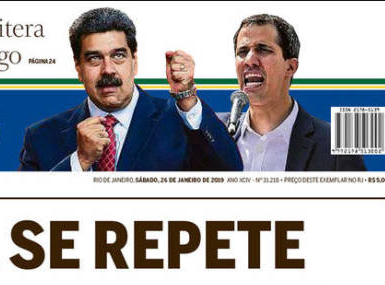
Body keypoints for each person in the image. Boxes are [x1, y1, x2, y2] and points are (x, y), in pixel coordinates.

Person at [19, 7, 242, 172]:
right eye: (94, 59)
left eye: (118, 56)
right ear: (78, 68)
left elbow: (231, 173)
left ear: (134, 61)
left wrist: (187, 99)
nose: (108, 70)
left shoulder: (181, 121)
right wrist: (79, 162)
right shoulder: (41, 137)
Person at [226, 14, 366, 172]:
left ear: (290, 67)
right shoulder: (211, 131)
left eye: (263, 50)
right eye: (242, 52)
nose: (249, 60)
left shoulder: (337, 145)